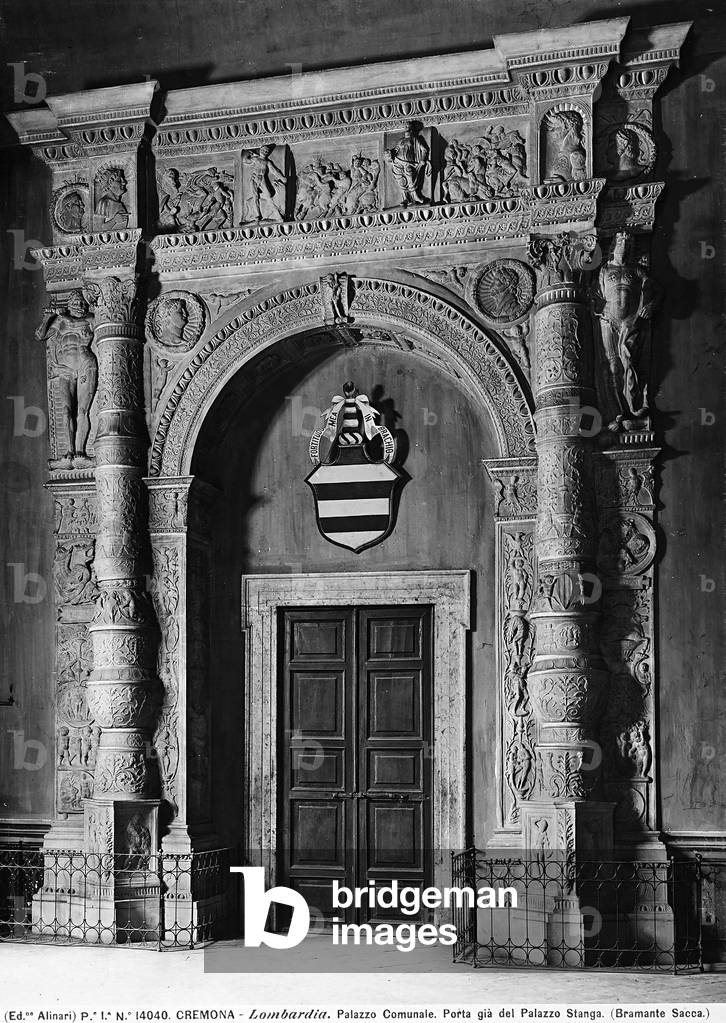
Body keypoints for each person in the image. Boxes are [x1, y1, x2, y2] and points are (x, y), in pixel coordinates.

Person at [35, 291, 97, 466]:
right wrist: (50, 316)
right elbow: (40, 335)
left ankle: (80, 451)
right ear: (70, 304)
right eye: (77, 302)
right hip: (65, 369)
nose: (81, 306)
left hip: (86, 364)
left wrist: (62, 316)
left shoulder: (89, 319)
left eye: (83, 303)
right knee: (66, 410)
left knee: (83, 410)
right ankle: (69, 451)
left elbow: (91, 323)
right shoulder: (60, 321)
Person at [386, 121, 429, 206]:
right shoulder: (401, 141)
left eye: (408, 126)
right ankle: (405, 199)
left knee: (410, 179)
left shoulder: (415, 139)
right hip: (397, 162)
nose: (406, 127)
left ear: (412, 129)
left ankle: (416, 197)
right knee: (400, 180)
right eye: (405, 126)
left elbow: (424, 149)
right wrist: (389, 153)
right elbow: (396, 150)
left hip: (408, 163)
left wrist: (422, 159)